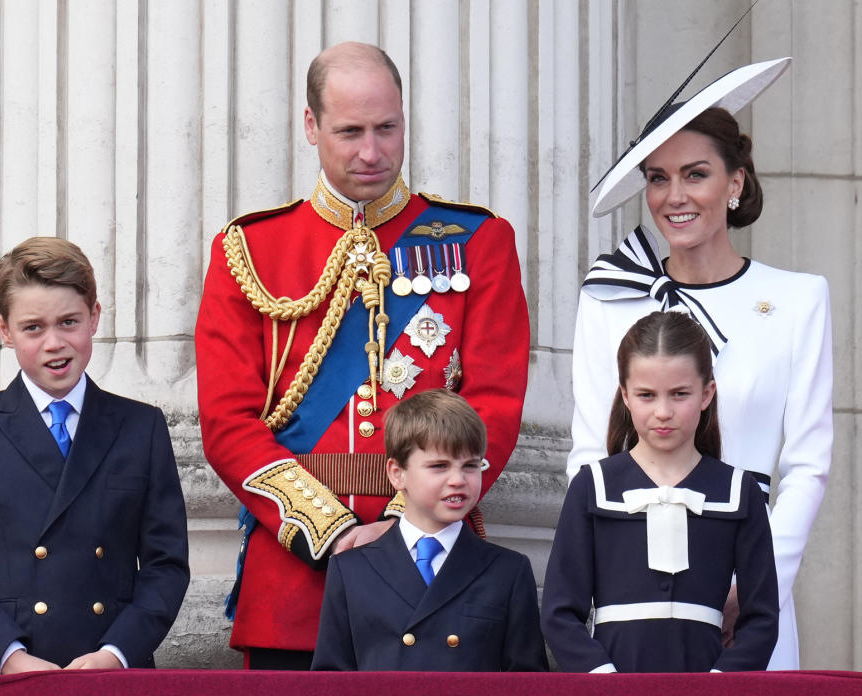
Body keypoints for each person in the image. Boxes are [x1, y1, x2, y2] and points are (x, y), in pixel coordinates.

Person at [195, 42, 529, 668]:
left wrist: (408, 524)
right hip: (296, 584)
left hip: (437, 568)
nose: (371, 153)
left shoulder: (477, 241)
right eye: (350, 132)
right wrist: (336, 532)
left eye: (387, 128)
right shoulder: (249, 249)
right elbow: (226, 422)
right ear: (311, 126)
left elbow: (494, 403)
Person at [569, 59, 830, 669]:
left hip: (749, 575)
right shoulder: (610, 299)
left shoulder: (798, 299)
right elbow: (588, 455)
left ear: (736, 182)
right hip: (633, 586)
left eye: (696, 174)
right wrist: (614, 570)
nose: (674, 196)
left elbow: (809, 464)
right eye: (658, 178)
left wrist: (758, 583)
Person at [0, 237, 190, 674]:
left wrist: (117, 653)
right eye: (33, 327)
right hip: (3, 671)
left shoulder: (142, 428)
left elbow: (167, 565)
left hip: (113, 670)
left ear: (94, 318)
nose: (54, 343)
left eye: (69, 322)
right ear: (5, 330)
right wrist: (9, 656)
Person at [544, 311, 778, 672]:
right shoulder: (592, 486)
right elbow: (560, 613)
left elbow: (761, 618)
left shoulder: (739, 491)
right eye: (647, 395)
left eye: (679, 394)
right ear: (625, 395)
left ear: (706, 394)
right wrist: (603, 679)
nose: (663, 411)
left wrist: (722, 683)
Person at [312, 389, 547, 671]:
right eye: (439, 466)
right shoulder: (351, 568)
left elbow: (527, 682)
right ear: (397, 474)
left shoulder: (508, 570)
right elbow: (331, 680)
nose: (458, 480)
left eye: (471, 466)